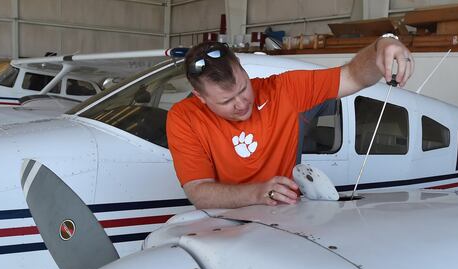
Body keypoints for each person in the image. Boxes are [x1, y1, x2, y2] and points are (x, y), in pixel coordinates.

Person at [166, 35, 414, 209]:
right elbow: (198, 191)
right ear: (200, 97)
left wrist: (382, 46)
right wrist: (258, 192)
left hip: (284, 220)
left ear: (242, 69)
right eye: (226, 101)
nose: (241, 104)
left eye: (244, 89)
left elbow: (351, 76)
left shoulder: (283, 90)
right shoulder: (183, 117)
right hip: (222, 226)